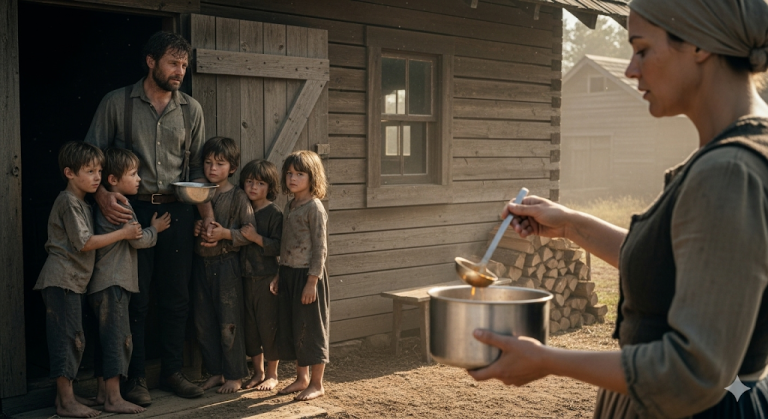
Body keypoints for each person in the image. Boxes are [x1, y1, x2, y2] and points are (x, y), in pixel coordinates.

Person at [467, 1, 768, 418]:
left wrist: (547, 359)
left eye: (642, 49)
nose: (630, 69)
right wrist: (571, 224)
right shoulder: (741, 153)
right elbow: (676, 266)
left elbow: (693, 372)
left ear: (699, 45)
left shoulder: (728, 172)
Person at [85, 31, 213, 405]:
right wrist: (103, 194)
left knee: (176, 297)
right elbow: (89, 157)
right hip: (131, 210)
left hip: (177, 209)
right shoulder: (116, 103)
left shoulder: (191, 109)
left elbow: (196, 171)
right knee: (134, 299)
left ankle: (173, 372)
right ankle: (135, 378)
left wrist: (207, 218)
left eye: (184, 65)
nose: (180, 71)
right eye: (173, 63)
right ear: (151, 61)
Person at [34, 142, 142, 418]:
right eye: (90, 171)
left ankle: (66, 399)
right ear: (69, 173)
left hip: (73, 282)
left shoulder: (82, 202)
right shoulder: (68, 202)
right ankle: (66, 403)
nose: (97, 177)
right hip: (62, 279)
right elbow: (83, 243)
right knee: (66, 340)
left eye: (99, 170)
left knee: (74, 339)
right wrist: (124, 233)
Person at [88, 148, 171, 414]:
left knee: (104, 337)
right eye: (133, 174)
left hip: (100, 282)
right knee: (117, 339)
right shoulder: (122, 204)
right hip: (115, 282)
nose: (139, 179)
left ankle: (103, 394)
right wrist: (154, 230)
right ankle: (114, 397)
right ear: (112, 180)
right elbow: (138, 240)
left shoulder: (103, 204)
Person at [191, 137, 252, 393]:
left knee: (229, 323)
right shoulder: (199, 194)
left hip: (227, 265)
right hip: (202, 265)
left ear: (233, 167)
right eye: (207, 162)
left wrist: (225, 234)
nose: (212, 169)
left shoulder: (238, 196)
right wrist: (196, 228)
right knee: (203, 323)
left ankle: (235, 375)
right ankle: (216, 372)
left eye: (219, 163)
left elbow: (249, 231)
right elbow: (195, 226)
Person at [273, 150, 330, 401]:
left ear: (312, 177)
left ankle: (317, 384)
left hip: (309, 277)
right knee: (297, 327)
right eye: (289, 174)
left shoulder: (314, 208)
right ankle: (301, 378)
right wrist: (278, 274)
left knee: (312, 329)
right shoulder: (290, 205)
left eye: (299, 174)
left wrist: (311, 282)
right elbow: (286, 243)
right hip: (288, 273)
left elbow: (320, 248)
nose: (293, 178)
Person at [237, 160, 283, 391]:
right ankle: (258, 372)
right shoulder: (242, 208)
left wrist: (256, 238)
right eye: (249, 181)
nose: (254, 187)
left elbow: (280, 246)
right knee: (251, 327)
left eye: (260, 183)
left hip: (266, 278)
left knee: (268, 326)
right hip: (244, 278)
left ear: (270, 186)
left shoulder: (274, 213)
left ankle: (273, 374)